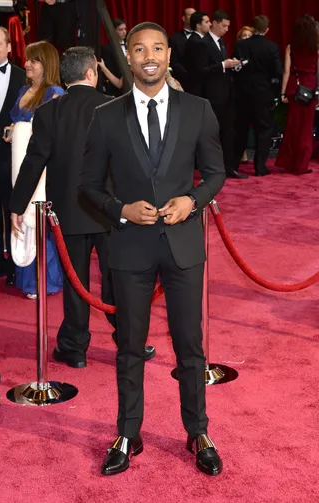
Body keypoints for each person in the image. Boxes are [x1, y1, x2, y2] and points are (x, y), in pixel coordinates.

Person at [79, 22, 226, 476]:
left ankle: (198, 430)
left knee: (190, 346)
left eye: (157, 48)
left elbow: (216, 173)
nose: (149, 56)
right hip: (129, 249)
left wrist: (193, 200)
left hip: (183, 246)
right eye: (139, 48)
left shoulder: (198, 109)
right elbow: (87, 186)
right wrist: (121, 209)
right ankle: (128, 432)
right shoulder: (105, 116)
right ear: (127, 54)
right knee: (128, 345)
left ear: (167, 54)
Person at [10, 46, 155, 367]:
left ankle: (74, 349)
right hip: (112, 212)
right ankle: (130, 343)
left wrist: (16, 206)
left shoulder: (48, 113)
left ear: (66, 76)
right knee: (119, 278)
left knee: (76, 283)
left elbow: (33, 164)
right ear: (91, 73)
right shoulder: (116, 107)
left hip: (68, 215)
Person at [4, 40, 64, 299]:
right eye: (28, 59)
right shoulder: (22, 90)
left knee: (39, 221)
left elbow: (59, 136)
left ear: (46, 64)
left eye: (34, 60)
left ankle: (46, 280)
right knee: (23, 219)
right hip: (20, 165)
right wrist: (11, 131)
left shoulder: (55, 94)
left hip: (45, 171)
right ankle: (26, 276)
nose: (27, 64)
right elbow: (15, 123)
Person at [233, 15, 282, 176]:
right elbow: (277, 72)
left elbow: (234, 68)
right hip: (263, 94)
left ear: (252, 29)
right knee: (264, 130)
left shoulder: (241, 44)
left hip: (242, 94)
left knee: (240, 129)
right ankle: (260, 166)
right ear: (267, 29)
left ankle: (233, 164)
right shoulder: (272, 47)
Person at [202, 10, 247, 179]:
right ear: (214, 23)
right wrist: (223, 64)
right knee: (211, 134)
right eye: (224, 26)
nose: (227, 29)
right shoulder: (204, 43)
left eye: (228, 26)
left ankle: (228, 167)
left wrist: (232, 66)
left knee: (228, 132)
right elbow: (200, 70)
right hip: (212, 95)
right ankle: (211, 169)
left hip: (226, 94)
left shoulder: (221, 42)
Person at [276, 15, 319, 175]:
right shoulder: (316, 47)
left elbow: (286, 71)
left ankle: (290, 162)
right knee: (306, 129)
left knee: (293, 127)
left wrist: (283, 93)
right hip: (310, 87)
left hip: (295, 87)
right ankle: (301, 164)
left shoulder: (291, 47)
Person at [0, 27, 25, 285]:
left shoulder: (22, 77)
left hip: (12, 157)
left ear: (8, 47)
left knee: (13, 210)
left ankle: (16, 265)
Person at [236, 25, 253, 164]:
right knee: (241, 125)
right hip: (240, 93)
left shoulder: (257, 53)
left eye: (249, 36)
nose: (246, 38)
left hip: (254, 92)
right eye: (244, 36)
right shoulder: (236, 52)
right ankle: (242, 152)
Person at [169, 7, 196, 90]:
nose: (193, 17)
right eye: (190, 15)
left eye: (195, 15)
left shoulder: (204, 37)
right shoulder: (175, 38)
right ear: (183, 18)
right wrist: (187, 75)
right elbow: (174, 61)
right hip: (183, 81)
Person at [101, 18, 127, 97]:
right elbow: (110, 68)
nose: (124, 32)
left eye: (125, 29)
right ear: (114, 31)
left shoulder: (129, 46)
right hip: (115, 87)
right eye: (120, 30)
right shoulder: (107, 48)